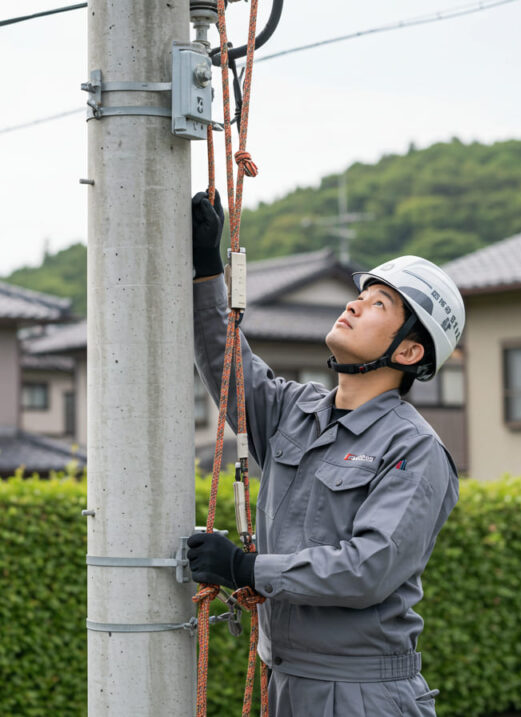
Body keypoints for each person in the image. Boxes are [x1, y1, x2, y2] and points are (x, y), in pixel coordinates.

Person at [187, 191, 463, 717]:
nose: (353, 304)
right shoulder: (297, 410)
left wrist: (246, 568)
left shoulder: (414, 448)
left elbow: (369, 567)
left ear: (408, 352)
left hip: (363, 695)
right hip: (287, 681)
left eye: (379, 305)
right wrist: (206, 271)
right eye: (359, 297)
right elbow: (227, 365)